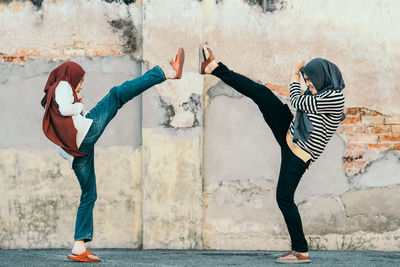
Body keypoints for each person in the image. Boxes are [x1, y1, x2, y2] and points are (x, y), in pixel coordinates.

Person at [199, 42, 345, 264]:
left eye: (310, 80)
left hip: (299, 154)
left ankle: (301, 251)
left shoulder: (333, 97)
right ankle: (214, 67)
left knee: (284, 197)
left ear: (323, 77)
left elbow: (296, 101)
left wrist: (295, 73)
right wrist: (300, 79)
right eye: (306, 80)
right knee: (262, 93)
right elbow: (300, 104)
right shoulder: (321, 91)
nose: (308, 84)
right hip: (291, 133)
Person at [41, 48, 185, 262]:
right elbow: (65, 108)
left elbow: (62, 116)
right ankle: (167, 73)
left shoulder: (57, 91)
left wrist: (78, 106)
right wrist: (78, 103)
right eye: (80, 81)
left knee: (89, 195)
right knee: (117, 95)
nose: (81, 85)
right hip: (85, 137)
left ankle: (79, 247)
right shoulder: (62, 84)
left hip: (77, 152)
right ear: (71, 76)